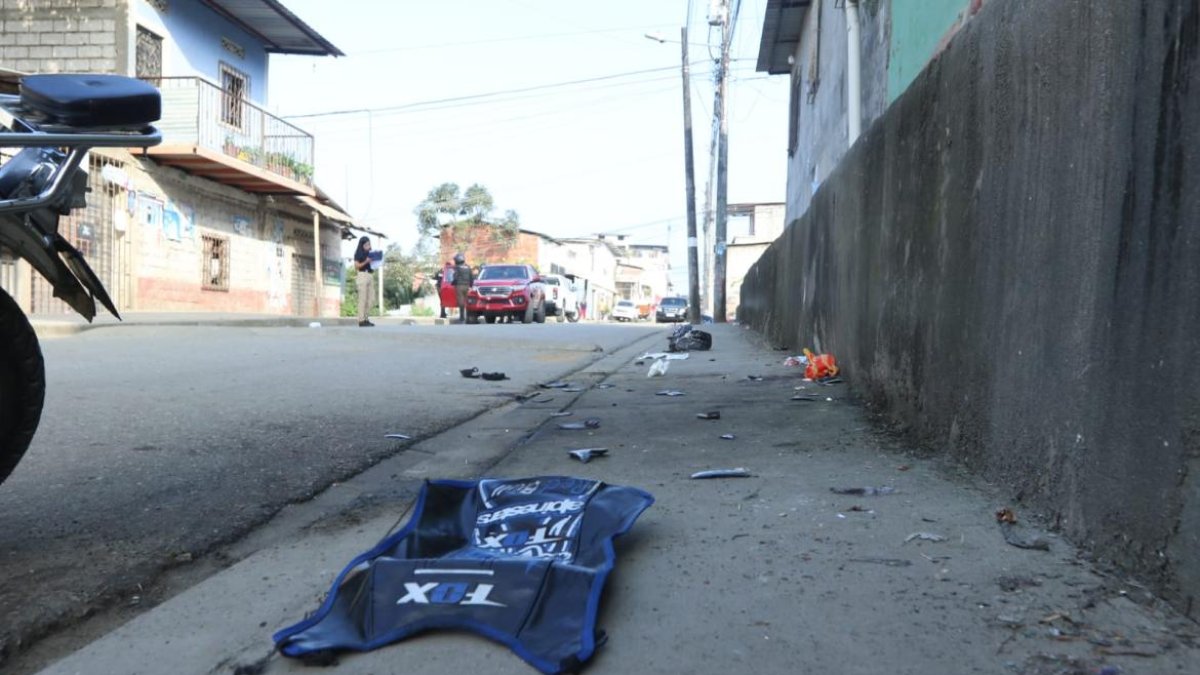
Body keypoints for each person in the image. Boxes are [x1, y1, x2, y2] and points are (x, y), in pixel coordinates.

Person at [353, 236, 375, 327]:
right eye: (366, 244)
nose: (368, 246)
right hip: (362, 275)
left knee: (371, 299)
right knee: (362, 299)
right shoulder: (358, 253)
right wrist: (366, 261)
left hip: (370, 275)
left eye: (369, 244)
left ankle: (366, 318)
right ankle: (361, 320)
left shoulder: (370, 253)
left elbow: (372, 266)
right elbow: (357, 266)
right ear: (362, 245)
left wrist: (374, 262)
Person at [452, 252, 474, 323]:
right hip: (467, 286)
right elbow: (471, 277)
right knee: (468, 302)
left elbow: (455, 277)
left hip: (459, 286)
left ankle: (461, 318)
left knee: (461, 302)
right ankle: (469, 317)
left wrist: (453, 283)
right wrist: (471, 286)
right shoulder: (468, 267)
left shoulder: (457, 268)